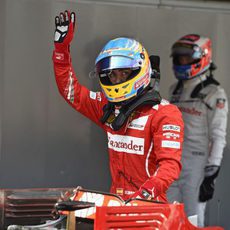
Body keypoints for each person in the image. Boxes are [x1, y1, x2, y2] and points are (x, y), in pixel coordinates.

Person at [52, 10, 184, 203]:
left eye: (123, 73)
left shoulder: (165, 114)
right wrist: (61, 51)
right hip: (116, 203)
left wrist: (143, 196)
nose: (117, 79)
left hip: (149, 207)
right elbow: (71, 91)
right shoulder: (108, 108)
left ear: (140, 69)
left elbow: (170, 166)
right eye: (112, 75)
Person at [167, 34, 228, 226]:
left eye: (187, 57)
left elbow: (219, 137)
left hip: (197, 166)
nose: (183, 61)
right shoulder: (173, 90)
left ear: (203, 57)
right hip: (172, 163)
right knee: (167, 217)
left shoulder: (215, 93)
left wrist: (212, 173)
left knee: (193, 220)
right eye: (180, 57)